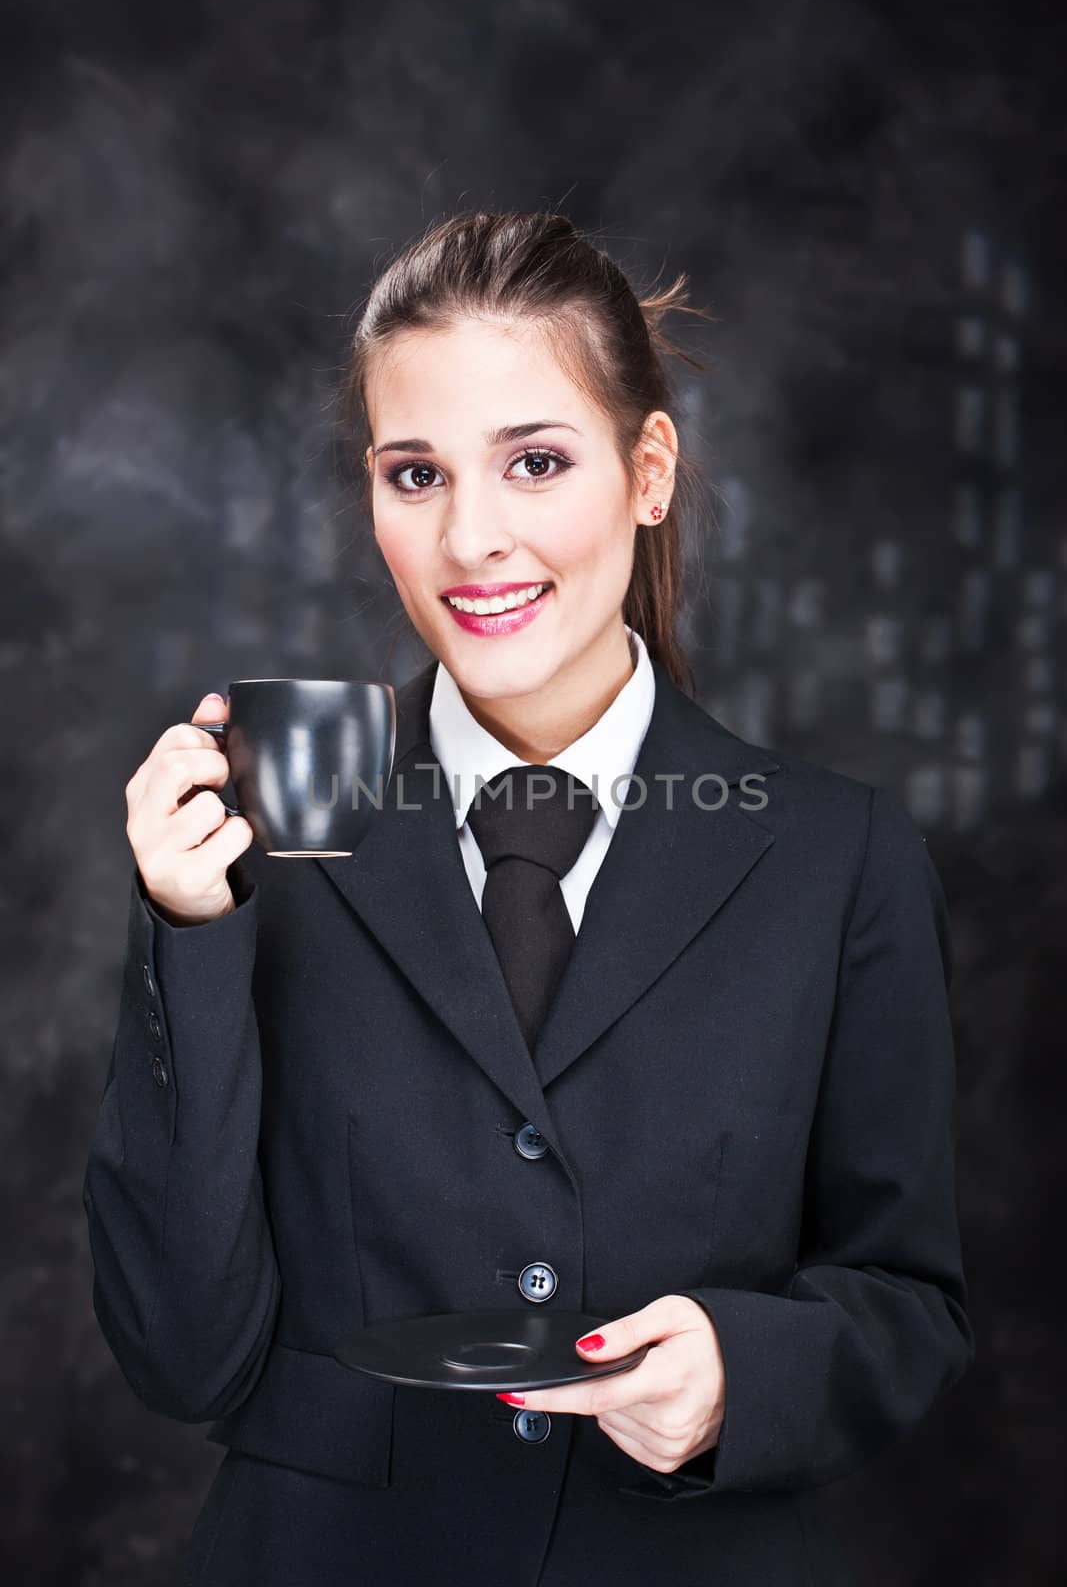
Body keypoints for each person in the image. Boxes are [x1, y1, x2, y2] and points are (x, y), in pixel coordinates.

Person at [83, 209, 975, 1586]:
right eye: (416, 474)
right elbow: (184, 1354)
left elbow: (907, 1296)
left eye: (537, 462)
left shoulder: (836, 858)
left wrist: (741, 1374)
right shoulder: (265, 828)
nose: (472, 539)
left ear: (649, 471)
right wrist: (190, 935)